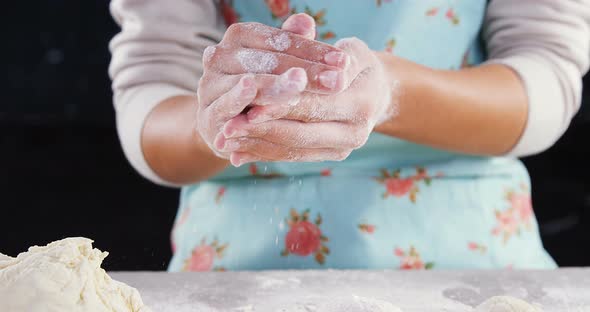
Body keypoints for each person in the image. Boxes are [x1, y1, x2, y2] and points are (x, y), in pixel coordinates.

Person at [109, 0, 590, 271]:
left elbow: (546, 80)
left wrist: (394, 93)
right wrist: (217, 122)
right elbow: (150, 96)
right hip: (236, 264)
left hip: (471, 256)